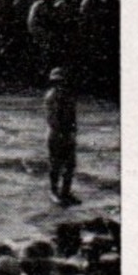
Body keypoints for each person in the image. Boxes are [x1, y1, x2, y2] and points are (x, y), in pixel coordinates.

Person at [44, 67, 79, 206]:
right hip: (55, 134)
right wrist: (63, 132)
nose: (59, 84)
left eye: (61, 81)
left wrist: (73, 131)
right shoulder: (51, 96)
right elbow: (52, 119)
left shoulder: (69, 96)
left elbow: (72, 115)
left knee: (70, 164)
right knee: (55, 164)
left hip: (67, 134)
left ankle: (66, 192)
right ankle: (53, 191)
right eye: (56, 82)